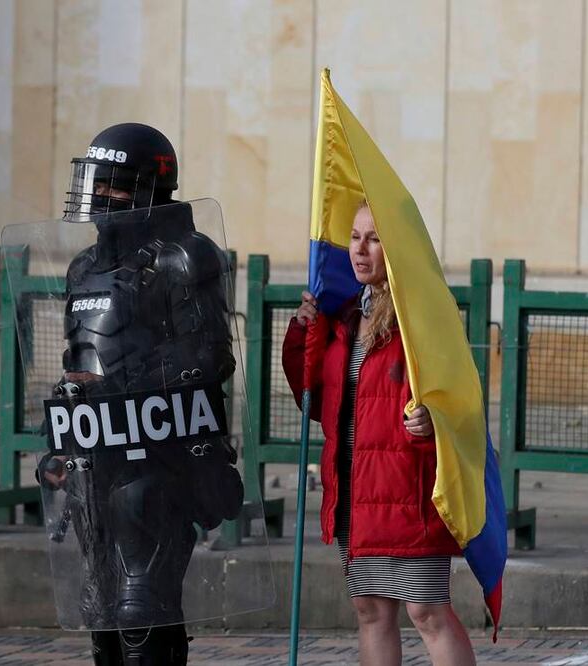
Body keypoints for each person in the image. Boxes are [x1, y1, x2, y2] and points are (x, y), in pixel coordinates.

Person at [36, 123, 244, 665]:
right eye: (95, 183)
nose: (100, 197)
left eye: (114, 186)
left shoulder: (184, 257)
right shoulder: (84, 267)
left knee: (141, 609)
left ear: (152, 187)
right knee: (102, 610)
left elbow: (209, 357)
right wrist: (59, 436)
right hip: (95, 460)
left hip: (159, 460)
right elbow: (77, 360)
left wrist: (116, 387)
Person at [282, 202, 476, 666]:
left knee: (427, 611)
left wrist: (434, 420)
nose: (360, 249)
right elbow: (315, 398)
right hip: (355, 489)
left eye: (374, 238)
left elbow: (461, 399)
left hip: (408, 488)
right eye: (354, 237)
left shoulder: (422, 316)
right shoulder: (346, 313)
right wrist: (302, 333)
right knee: (370, 610)